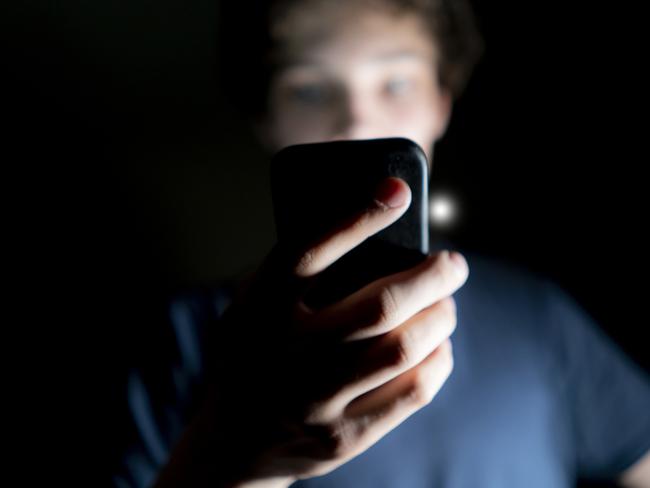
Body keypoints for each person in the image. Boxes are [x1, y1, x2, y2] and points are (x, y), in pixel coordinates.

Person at [112, 0, 650, 487]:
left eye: (395, 84)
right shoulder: (184, 342)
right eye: (309, 89)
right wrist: (239, 460)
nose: (357, 122)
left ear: (441, 106)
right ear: (266, 120)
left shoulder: (538, 316)